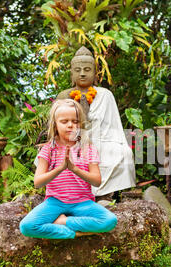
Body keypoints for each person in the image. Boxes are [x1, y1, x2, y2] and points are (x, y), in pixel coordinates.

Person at [20, 99, 118, 239]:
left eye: (75, 121)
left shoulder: (88, 148)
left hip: (82, 202)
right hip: (55, 202)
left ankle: (63, 222)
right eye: (64, 121)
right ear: (55, 125)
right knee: (27, 226)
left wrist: (74, 169)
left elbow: (96, 181)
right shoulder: (48, 149)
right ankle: (71, 233)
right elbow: (38, 182)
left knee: (109, 221)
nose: (71, 125)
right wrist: (59, 169)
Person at [56, 46, 136, 202]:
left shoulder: (105, 95)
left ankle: (104, 195)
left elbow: (112, 127)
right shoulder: (65, 95)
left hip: (102, 139)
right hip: (73, 140)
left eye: (87, 69)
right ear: (72, 74)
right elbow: (57, 124)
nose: (83, 73)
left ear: (95, 73)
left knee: (123, 153)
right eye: (78, 70)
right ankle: (74, 196)